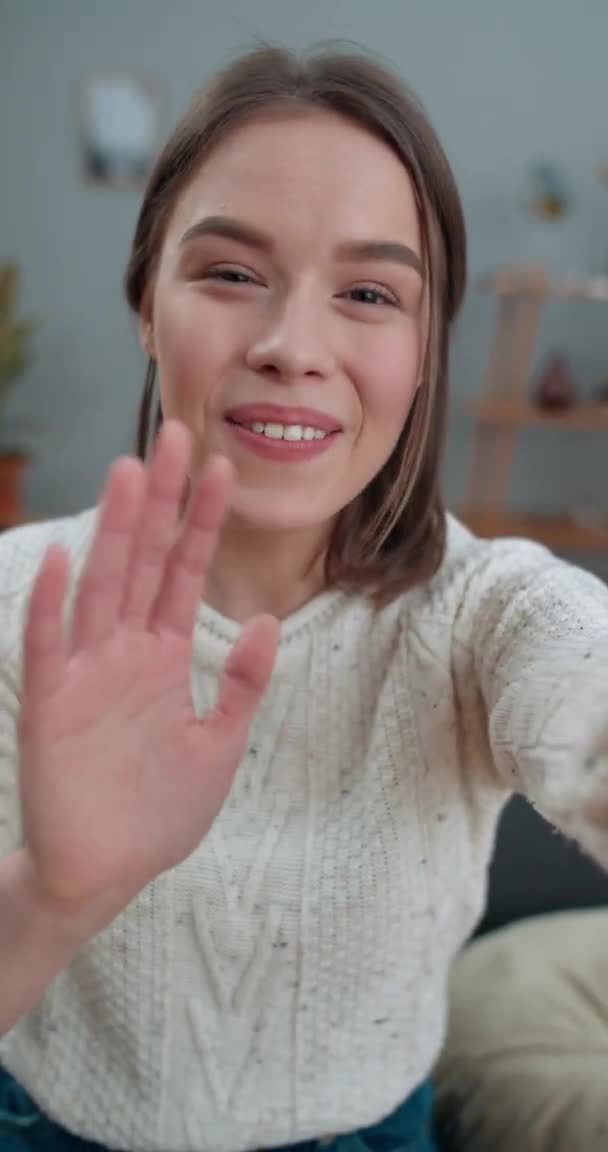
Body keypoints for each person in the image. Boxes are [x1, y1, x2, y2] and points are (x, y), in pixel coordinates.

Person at [0, 43, 607, 1152]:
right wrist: (56, 895)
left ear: (425, 350)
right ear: (146, 303)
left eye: (370, 294)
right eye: (231, 273)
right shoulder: (18, 601)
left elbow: (577, 673)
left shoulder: (481, 611)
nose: (291, 348)